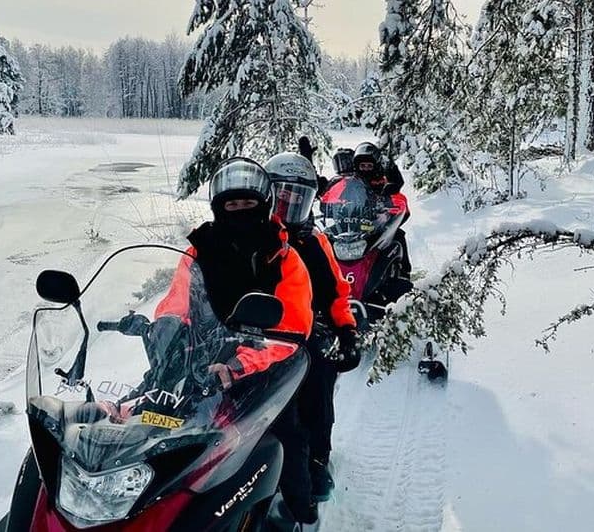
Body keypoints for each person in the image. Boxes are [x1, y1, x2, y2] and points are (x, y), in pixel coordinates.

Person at [153, 157, 318, 524]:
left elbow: (290, 329)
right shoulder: (199, 250)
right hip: (202, 360)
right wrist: (164, 332)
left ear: (263, 205)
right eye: (232, 204)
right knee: (150, 416)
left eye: (248, 204)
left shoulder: (284, 258)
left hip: (265, 366)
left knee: (286, 434)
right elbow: (178, 298)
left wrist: (240, 363)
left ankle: (298, 506)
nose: (240, 211)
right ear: (218, 207)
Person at [266, 151, 361, 503]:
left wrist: (347, 331)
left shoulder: (314, 242)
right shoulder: (255, 237)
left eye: (298, 195)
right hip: (251, 339)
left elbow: (337, 293)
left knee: (318, 387)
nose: (289, 202)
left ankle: (317, 459)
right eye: (282, 193)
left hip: (305, 340)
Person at [352, 141, 412, 276]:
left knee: (398, 236)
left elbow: (401, 204)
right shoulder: (351, 184)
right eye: (363, 166)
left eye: (369, 166)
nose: (366, 169)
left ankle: (403, 272)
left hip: (378, 228)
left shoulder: (383, 183)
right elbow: (333, 196)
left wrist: (391, 207)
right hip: (353, 226)